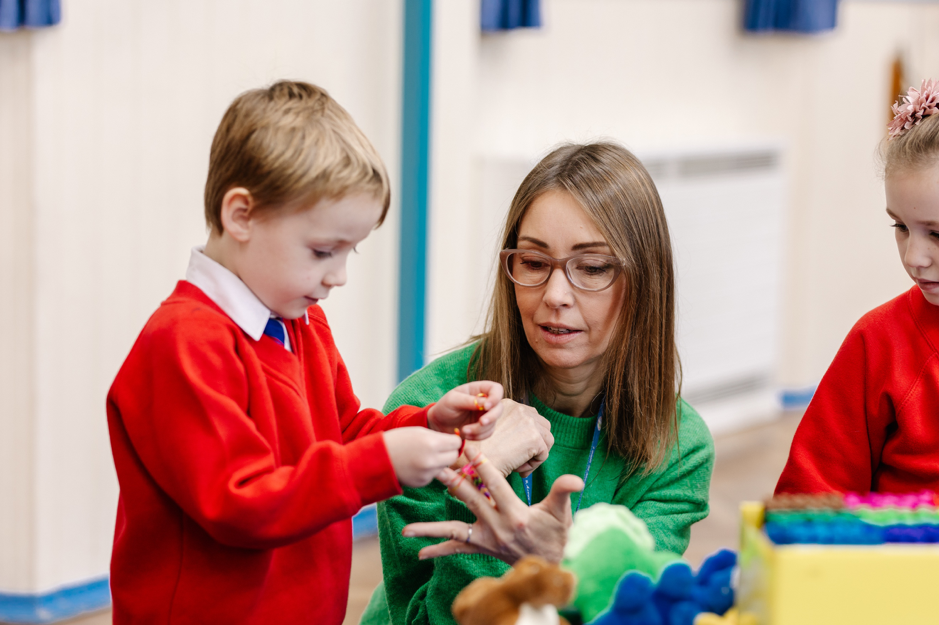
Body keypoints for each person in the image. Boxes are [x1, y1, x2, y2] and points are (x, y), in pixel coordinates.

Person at [105, 80, 504, 625]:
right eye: (322, 251)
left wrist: (429, 425)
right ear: (240, 215)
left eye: (349, 252)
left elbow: (343, 433)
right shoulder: (183, 344)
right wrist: (380, 465)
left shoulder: (301, 320)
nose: (338, 276)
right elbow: (239, 502)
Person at [362, 142, 714, 625]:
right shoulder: (425, 411)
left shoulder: (677, 446)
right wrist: (481, 477)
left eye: (591, 268)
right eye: (532, 263)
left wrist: (559, 564)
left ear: (646, 281)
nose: (554, 296)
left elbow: (629, 613)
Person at [777, 79, 939, 495]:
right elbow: (811, 493)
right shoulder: (878, 340)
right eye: (901, 227)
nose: (913, 258)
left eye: (937, 234)